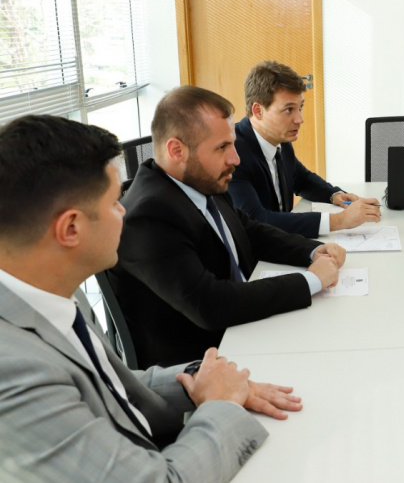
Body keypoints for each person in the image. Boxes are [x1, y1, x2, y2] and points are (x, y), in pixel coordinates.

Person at [0, 115, 302, 482]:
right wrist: (220, 404)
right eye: (114, 202)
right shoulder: (14, 372)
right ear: (71, 228)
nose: (125, 211)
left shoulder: (47, 296)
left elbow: (112, 382)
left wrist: (202, 379)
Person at [109, 86, 346, 368]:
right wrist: (311, 281)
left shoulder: (200, 180)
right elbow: (212, 305)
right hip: (201, 363)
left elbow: (250, 230)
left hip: (239, 333)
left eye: (233, 144)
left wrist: (313, 251)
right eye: (222, 147)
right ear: (177, 150)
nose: (235, 158)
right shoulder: (148, 216)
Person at [231, 60, 380, 238]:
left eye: (300, 108)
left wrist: (335, 195)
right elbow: (256, 219)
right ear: (258, 111)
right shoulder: (233, 153)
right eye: (288, 110)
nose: (299, 119)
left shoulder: (280, 139)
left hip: (278, 244)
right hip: (252, 259)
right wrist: (339, 221)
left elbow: (301, 179)